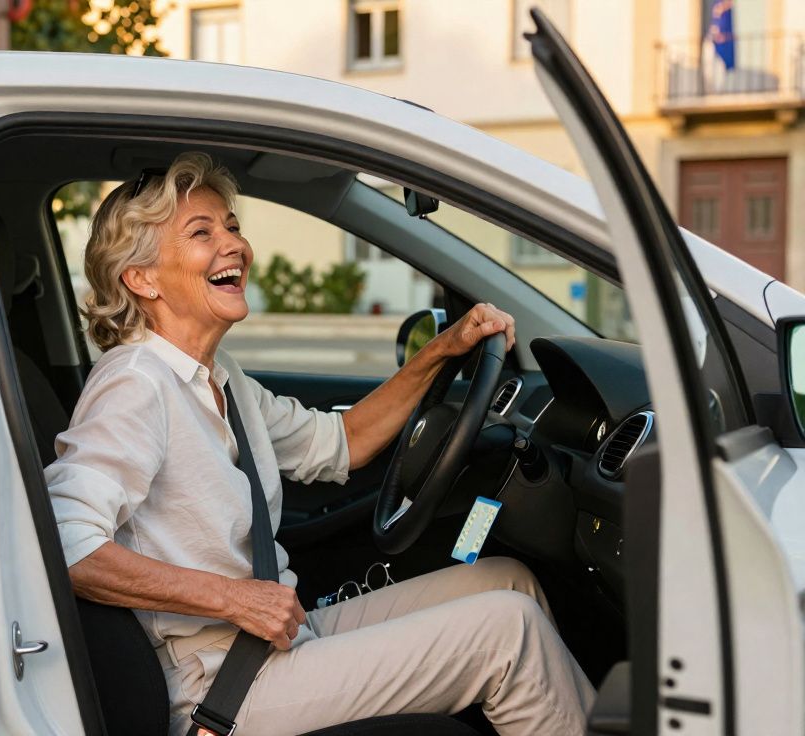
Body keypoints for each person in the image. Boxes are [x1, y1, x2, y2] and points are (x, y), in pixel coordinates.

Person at [46, 152, 595, 736]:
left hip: (272, 639)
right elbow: (66, 545)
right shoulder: (135, 382)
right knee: (507, 631)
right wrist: (237, 600)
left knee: (505, 579)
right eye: (201, 232)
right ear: (142, 277)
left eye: (231, 225)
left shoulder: (220, 378)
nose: (233, 244)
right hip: (219, 684)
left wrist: (439, 352)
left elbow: (343, 441)